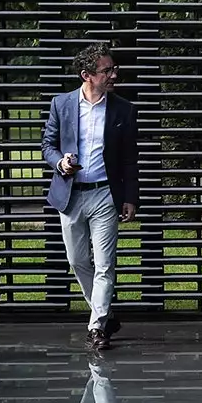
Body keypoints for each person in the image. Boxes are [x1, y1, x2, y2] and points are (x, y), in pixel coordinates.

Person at [41, 42, 139, 350]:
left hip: (104, 196)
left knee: (105, 265)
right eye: (106, 70)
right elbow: (48, 144)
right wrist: (60, 162)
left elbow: (129, 159)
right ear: (87, 75)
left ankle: (97, 328)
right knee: (77, 260)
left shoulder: (124, 109)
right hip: (71, 196)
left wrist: (130, 197)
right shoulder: (62, 104)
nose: (113, 75)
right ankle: (105, 312)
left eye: (114, 68)